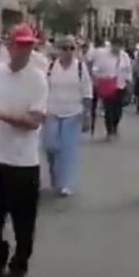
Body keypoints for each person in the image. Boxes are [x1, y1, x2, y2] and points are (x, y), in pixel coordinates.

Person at [0, 24, 48, 277]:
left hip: (24, 162)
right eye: (20, 45)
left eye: (29, 45)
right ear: (9, 46)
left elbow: (33, 121)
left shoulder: (37, 79)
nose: (25, 50)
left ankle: (20, 262)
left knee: (24, 222)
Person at [43, 35, 92, 196]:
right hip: (52, 111)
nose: (68, 52)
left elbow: (87, 91)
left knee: (68, 149)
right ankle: (54, 173)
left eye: (72, 48)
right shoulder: (50, 67)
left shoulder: (80, 68)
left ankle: (66, 183)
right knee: (51, 146)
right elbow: (42, 90)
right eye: (65, 48)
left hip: (73, 112)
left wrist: (87, 115)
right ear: (58, 50)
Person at [90, 37, 132, 140]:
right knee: (108, 108)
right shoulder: (103, 56)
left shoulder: (124, 56)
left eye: (118, 46)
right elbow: (95, 68)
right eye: (115, 46)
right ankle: (109, 130)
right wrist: (98, 78)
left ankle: (115, 125)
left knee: (118, 109)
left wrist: (129, 82)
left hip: (120, 85)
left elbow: (128, 70)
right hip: (107, 85)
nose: (116, 48)